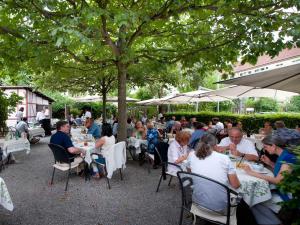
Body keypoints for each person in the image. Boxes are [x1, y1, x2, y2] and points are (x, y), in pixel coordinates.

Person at [242, 135, 296, 225]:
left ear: (274, 146)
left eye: (266, 147)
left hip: (287, 195)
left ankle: (274, 222)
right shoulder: (284, 154)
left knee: (253, 199)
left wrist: (252, 173)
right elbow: (283, 172)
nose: (265, 150)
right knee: (254, 196)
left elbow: (279, 180)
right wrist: (269, 163)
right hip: (282, 189)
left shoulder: (287, 157)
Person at [187, 133, 240, 212]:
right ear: (215, 145)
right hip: (219, 209)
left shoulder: (191, 155)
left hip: (197, 203)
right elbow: (236, 185)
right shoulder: (224, 158)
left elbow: (190, 173)